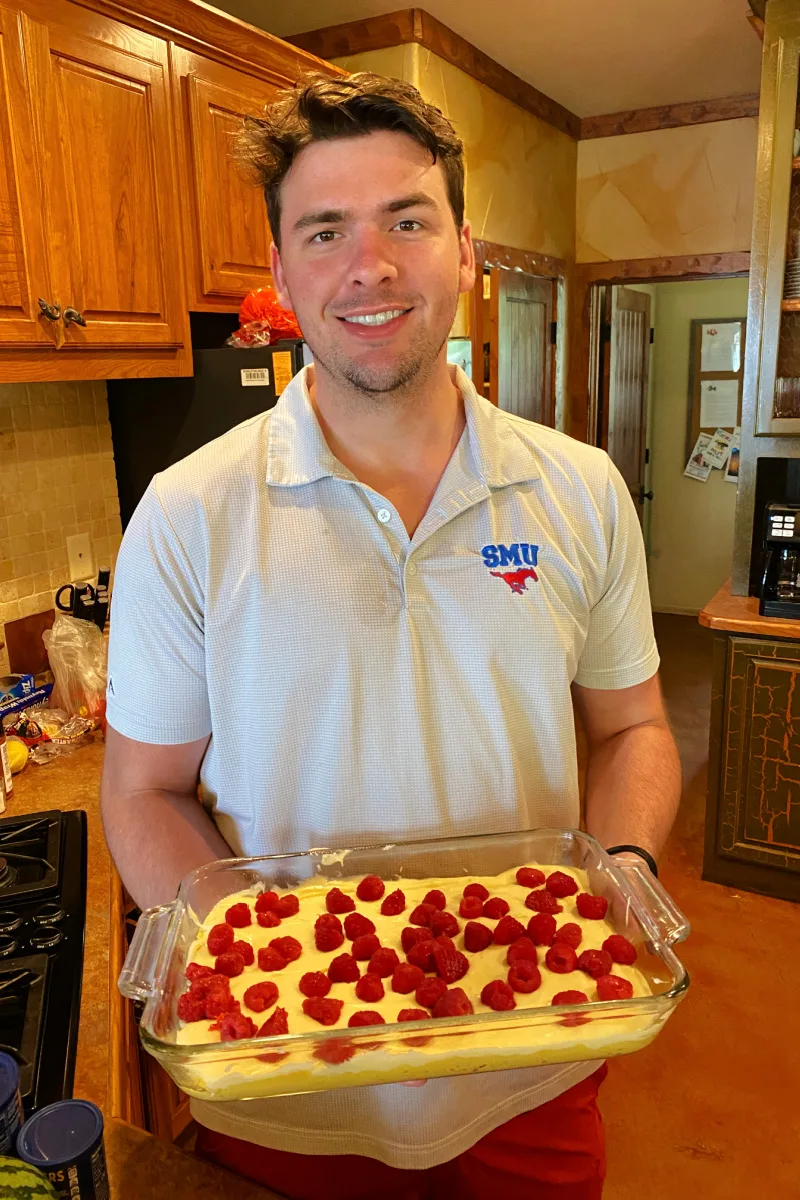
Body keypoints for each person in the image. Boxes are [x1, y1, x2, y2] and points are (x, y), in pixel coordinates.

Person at [101, 72, 681, 1200]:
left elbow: (633, 727)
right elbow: (141, 791)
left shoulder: (581, 489)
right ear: (278, 273)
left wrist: (622, 870)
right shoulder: (187, 512)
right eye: (325, 230)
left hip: (534, 1062)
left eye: (406, 220)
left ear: (465, 249)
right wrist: (259, 970)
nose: (367, 266)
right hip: (287, 1093)